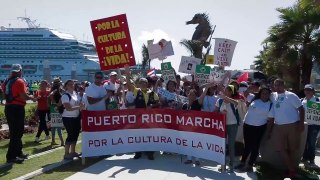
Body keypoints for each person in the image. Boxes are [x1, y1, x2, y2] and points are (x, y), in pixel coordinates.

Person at [268, 79, 305, 178]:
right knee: (281, 149)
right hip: (278, 126)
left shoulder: (291, 96)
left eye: (279, 85)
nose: (277, 87)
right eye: (276, 85)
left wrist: (301, 123)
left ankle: (290, 169)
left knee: (292, 149)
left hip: (292, 125)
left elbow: (301, 109)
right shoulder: (273, 96)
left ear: (283, 85)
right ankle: (292, 170)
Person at [125, 65, 160, 160]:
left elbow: (158, 103)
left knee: (149, 135)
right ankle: (138, 152)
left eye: (144, 82)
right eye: (141, 83)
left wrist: (152, 106)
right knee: (138, 135)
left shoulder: (153, 93)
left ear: (147, 84)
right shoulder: (136, 91)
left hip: (149, 119)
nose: (143, 84)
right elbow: (128, 85)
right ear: (139, 84)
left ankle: (150, 153)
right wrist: (127, 74)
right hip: (138, 118)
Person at [3, 64, 36, 163]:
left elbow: (4, 94)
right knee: (17, 133)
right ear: (20, 71)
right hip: (17, 108)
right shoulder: (20, 81)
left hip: (9, 107)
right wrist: (32, 97)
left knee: (15, 131)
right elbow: (24, 96)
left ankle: (18, 152)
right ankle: (11, 156)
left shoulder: (6, 81)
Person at [235, 87, 272, 172]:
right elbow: (245, 102)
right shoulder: (254, 100)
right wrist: (248, 90)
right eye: (263, 93)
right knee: (247, 145)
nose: (265, 95)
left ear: (269, 95)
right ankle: (242, 162)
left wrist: (269, 131)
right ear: (260, 94)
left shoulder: (270, 104)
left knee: (255, 146)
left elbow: (271, 119)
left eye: (267, 93)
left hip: (259, 127)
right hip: (247, 125)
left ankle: (250, 165)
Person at [214, 85, 241, 172]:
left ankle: (231, 165)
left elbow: (236, 103)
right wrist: (221, 113)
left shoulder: (234, 101)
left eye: (228, 91)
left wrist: (225, 97)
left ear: (231, 92)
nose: (226, 91)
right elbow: (215, 112)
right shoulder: (220, 100)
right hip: (222, 125)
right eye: (225, 90)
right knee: (222, 145)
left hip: (233, 125)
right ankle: (223, 165)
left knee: (231, 145)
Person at [61, 79, 84, 160]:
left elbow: (78, 103)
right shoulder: (65, 95)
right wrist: (79, 107)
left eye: (73, 84)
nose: (72, 85)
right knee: (70, 135)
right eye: (70, 84)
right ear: (66, 86)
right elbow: (68, 108)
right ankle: (66, 153)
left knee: (76, 134)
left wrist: (81, 105)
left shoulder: (75, 94)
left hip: (76, 117)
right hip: (68, 118)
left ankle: (73, 151)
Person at [301, 84, 320, 168]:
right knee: (304, 142)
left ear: (313, 91)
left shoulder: (318, 100)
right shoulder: (301, 101)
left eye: (310, 90)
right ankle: (304, 158)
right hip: (304, 125)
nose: (307, 91)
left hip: (314, 125)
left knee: (312, 143)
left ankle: (311, 160)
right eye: (306, 90)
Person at [48, 78, 64, 146]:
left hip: (53, 108)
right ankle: (62, 141)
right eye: (60, 83)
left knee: (54, 125)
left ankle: (53, 141)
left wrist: (50, 105)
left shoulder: (56, 89)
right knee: (58, 125)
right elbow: (50, 96)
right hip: (56, 108)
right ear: (58, 83)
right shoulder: (56, 90)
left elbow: (49, 97)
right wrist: (56, 103)